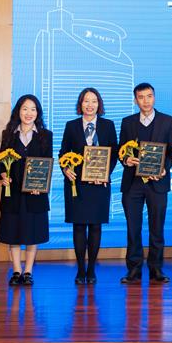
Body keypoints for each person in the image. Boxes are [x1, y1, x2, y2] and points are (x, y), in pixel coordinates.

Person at [117, 82, 172, 285]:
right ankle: (133, 269)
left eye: (149, 96)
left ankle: (156, 269)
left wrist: (164, 168)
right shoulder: (127, 122)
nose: (146, 101)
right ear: (136, 100)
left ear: (154, 97)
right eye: (141, 97)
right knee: (133, 228)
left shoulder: (167, 121)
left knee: (156, 227)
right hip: (132, 184)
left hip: (157, 182)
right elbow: (121, 150)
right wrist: (126, 160)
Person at [59, 87, 118, 286]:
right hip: (77, 185)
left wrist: (105, 174)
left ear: (99, 104)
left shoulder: (108, 125)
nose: (90, 105)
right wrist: (65, 169)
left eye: (94, 101)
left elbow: (114, 153)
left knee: (95, 226)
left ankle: (91, 269)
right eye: (86, 101)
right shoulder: (71, 126)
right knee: (78, 226)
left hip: (99, 185)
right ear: (80, 104)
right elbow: (63, 153)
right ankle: (80, 269)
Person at [0, 94, 52, 286]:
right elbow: (0, 163)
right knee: (13, 232)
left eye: (33, 109)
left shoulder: (45, 135)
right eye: (25, 109)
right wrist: (3, 176)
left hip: (35, 193)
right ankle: (16, 270)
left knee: (32, 232)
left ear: (38, 113)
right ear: (18, 111)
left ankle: (28, 271)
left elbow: (47, 163)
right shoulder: (8, 134)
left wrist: (40, 186)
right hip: (12, 193)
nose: (29, 113)